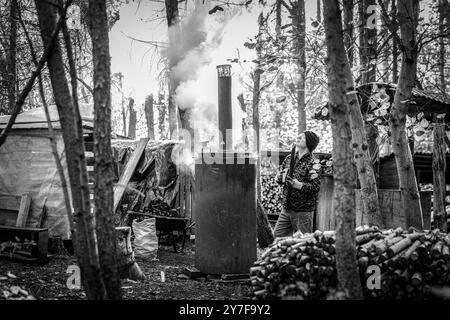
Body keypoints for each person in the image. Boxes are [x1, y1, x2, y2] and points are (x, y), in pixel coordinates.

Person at [274, 131, 321, 237]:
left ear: (309, 142)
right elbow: (280, 176)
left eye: (302, 137)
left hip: (303, 213)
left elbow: (315, 187)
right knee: (277, 239)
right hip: (286, 209)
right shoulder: (289, 158)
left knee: (304, 244)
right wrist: (278, 178)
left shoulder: (314, 163)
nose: (298, 137)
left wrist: (298, 185)